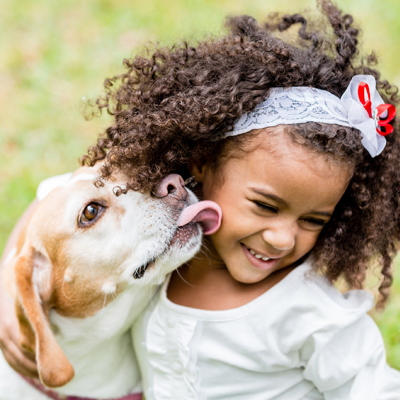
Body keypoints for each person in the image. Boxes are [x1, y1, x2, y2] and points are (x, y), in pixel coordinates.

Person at [1, 0, 400, 399]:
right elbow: (57, 198)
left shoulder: (310, 314)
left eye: (314, 220)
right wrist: (14, 284)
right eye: (265, 205)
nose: (281, 238)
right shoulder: (180, 226)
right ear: (202, 163)